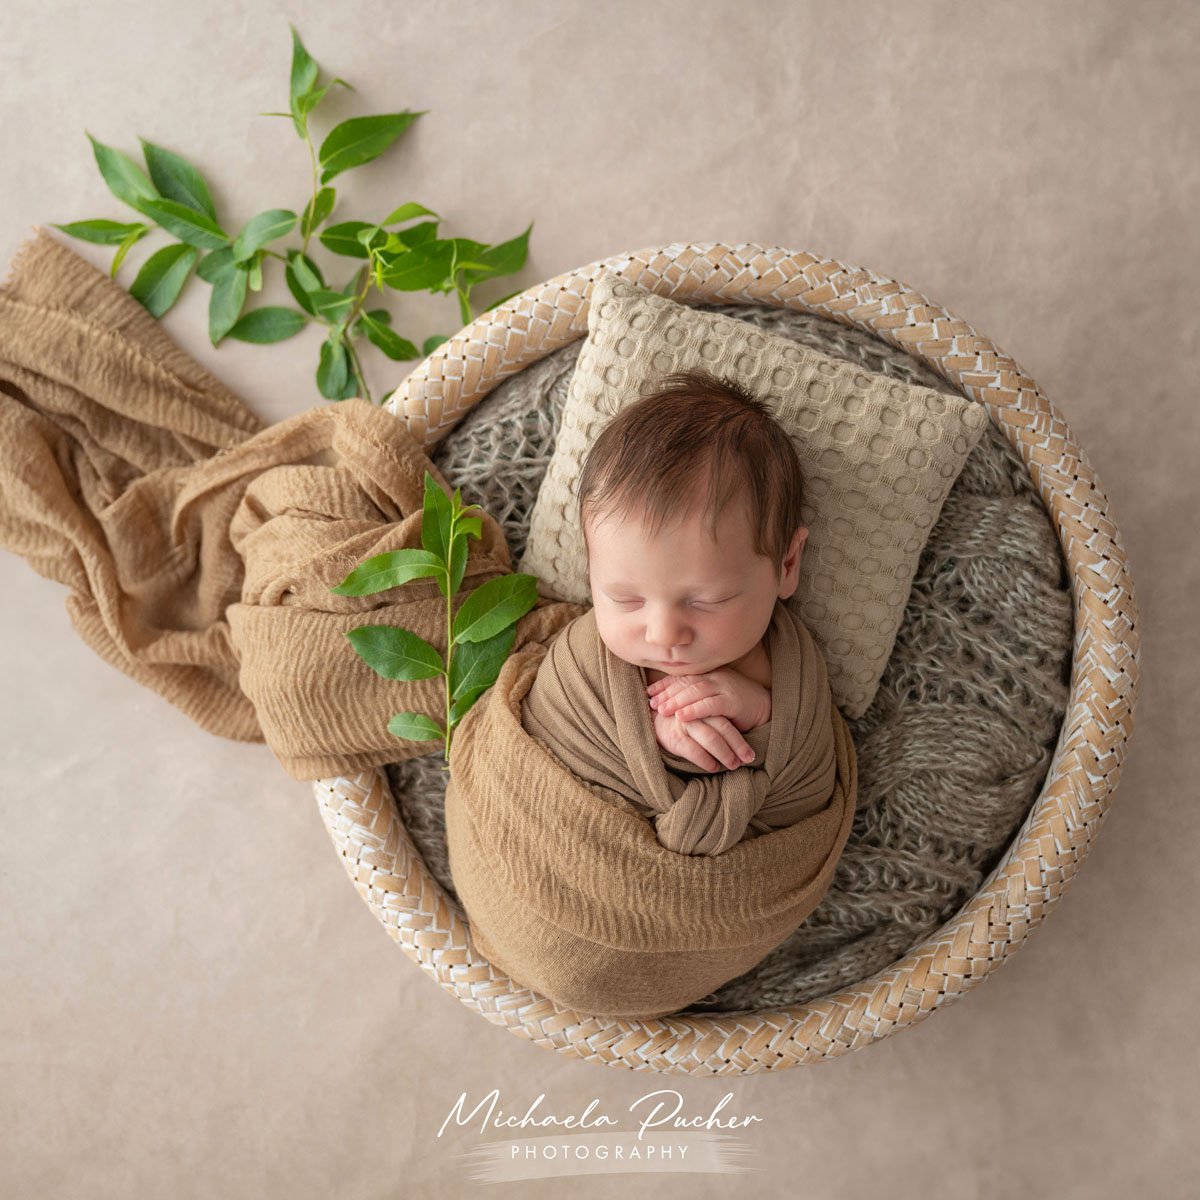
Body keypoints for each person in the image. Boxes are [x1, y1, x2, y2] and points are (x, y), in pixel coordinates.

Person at [574, 367, 808, 774]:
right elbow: (550, 717)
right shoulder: (584, 665)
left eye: (707, 600)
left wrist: (761, 712)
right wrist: (652, 731)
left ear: (787, 565)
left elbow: (807, 756)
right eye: (625, 599)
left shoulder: (787, 670)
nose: (664, 634)